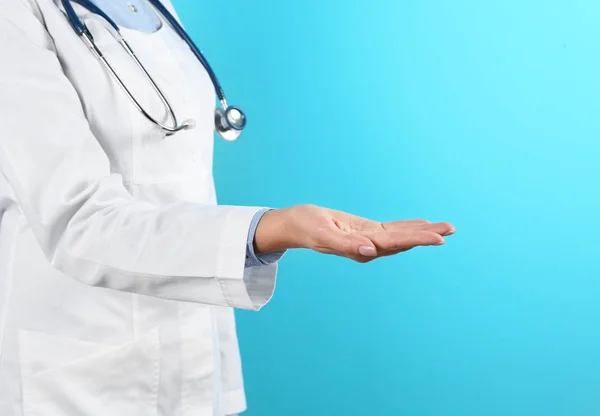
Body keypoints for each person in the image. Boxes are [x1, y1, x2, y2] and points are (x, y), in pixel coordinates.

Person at [0, 0, 456, 415]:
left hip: (194, 342)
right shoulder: (15, 16)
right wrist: (271, 228)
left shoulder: (155, 7)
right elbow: (77, 220)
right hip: (78, 365)